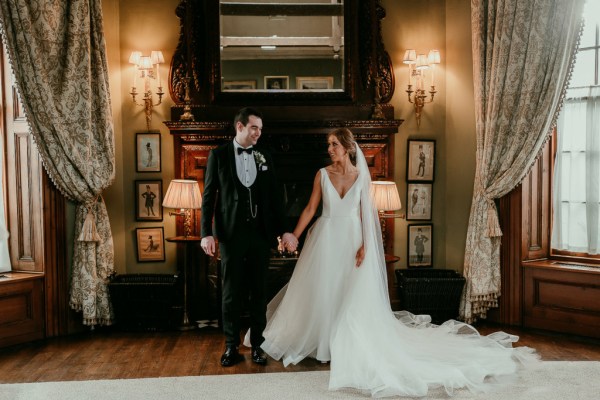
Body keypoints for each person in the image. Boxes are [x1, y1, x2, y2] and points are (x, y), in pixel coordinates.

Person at [250, 127, 538, 397]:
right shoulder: (321, 174)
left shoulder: (361, 177)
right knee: (324, 289)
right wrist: (294, 236)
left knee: (350, 293)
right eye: (329, 145)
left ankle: (345, 344)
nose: (330, 149)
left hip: (352, 239)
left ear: (348, 148)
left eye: (334, 144)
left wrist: (365, 243)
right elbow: (311, 208)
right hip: (325, 239)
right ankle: (323, 342)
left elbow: (365, 214)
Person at [200, 107, 297, 367]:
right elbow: (208, 197)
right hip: (231, 236)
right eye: (254, 127)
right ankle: (231, 346)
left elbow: (276, 197)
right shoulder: (218, 155)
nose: (258, 133)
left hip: (260, 235)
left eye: (261, 129)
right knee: (231, 292)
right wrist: (206, 234)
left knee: (259, 291)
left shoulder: (265, 156)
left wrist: (285, 229)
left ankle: (257, 346)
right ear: (240, 127)